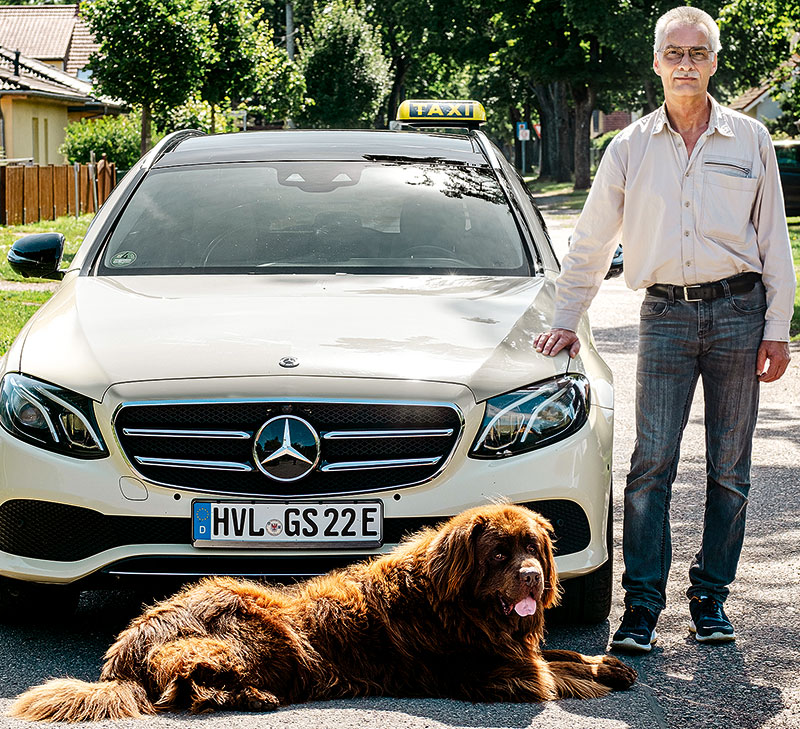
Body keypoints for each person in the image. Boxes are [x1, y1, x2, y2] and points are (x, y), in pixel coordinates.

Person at [534, 5, 794, 652]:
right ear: (656, 63)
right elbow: (592, 242)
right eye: (673, 53)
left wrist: (776, 327)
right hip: (666, 316)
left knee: (731, 467)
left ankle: (710, 599)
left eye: (697, 53)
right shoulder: (629, 147)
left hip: (739, 311)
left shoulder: (750, 140)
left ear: (713, 62)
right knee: (651, 464)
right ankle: (642, 607)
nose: (685, 64)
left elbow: (773, 242)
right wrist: (567, 318)